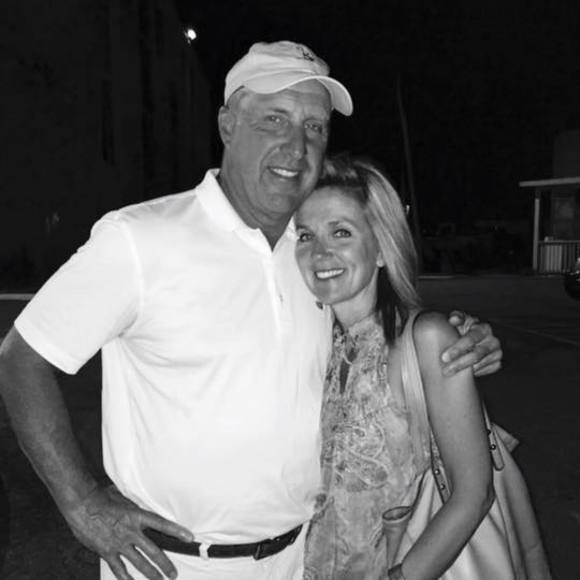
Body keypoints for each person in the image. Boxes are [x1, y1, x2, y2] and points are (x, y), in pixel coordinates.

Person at [0, 41, 502, 580]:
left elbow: (382, 340)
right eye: (274, 119)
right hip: (176, 565)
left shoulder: (308, 254)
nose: (297, 145)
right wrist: (81, 503)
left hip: (304, 561)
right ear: (227, 124)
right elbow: (21, 357)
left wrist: (460, 340)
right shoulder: (140, 239)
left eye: (315, 127)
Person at [294, 155, 548, 579]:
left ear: (381, 247)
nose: (320, 252)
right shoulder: (309, 344)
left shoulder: (426, 339)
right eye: (305, 235)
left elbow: (473, 494)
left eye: (341, 232)